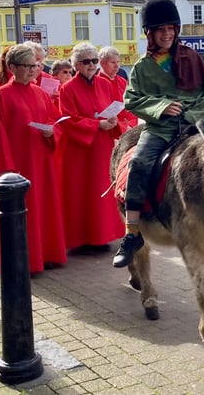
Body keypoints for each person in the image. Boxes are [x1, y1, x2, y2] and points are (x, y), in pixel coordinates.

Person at [112, 0, 204, 268]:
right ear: (150, 33)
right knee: (138, 163)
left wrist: (189, 114)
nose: (167, 33)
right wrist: (161, 107)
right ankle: (132, 232)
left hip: (195, 125)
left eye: (171, 28)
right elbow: (131, 100)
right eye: (161, 29)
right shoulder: (142, 68)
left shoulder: (193, 58)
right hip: (159, 129)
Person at [0, 43, 67, 276]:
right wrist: (6, 170)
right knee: (23, 211)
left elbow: (56, 119)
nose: (33, 71)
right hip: (17, 165)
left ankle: (45, 255)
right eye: (27, 66)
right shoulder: (1, 96)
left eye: (35, 66)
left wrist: (52, 131)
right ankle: (22, 261)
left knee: (42, 209)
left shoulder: (40, 93)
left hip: (40, 160)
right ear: (12, 67)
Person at [56, 43, 131, 253]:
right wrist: (96, 124)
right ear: (76, 64)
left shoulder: (105, 84)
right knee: (80, 193)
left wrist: (114, 122)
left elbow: (113, 110)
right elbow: (68, 120)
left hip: (101, 146)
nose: (91, 65)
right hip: (79, 150)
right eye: (86, 61)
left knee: (102, 190)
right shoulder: (67, 88)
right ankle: (80, 240)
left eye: (94, 61)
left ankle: (101, 236)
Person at [98, 46, 137, 129]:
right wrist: (124, 127)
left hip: (128, 127)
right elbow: (103, 113)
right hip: (111, 128)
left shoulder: (122, 81)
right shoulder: (96, 83)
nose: (117, 66)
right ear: (102, 63)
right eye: (113, 62)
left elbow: (129, 105)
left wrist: (131, 125)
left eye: (118, 62)